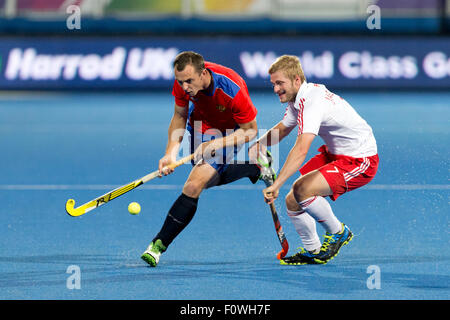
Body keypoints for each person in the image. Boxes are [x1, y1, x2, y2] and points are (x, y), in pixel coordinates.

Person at [141, 51, 276, 267]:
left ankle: (158, 244)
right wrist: (171, 153)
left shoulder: (232, 89)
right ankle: (254, 167)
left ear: (203, 73)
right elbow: (179, 116)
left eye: (189, 81)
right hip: (201, 122)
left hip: (231, 130)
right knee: (206, 179)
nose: (184, 87)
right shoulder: (183, 82)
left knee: (194, 185)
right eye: (180, 82)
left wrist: (215, 144)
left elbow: (250, 131)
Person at [252, 55, 379, 265]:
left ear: (296, 80)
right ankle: (313, 250)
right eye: (273, 84)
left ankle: (338, 232)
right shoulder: (299, 98)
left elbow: (301, 149)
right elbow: (283, 129)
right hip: (335, 154)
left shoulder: (312, 102)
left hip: (360, 159)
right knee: (292, 200)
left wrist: (276, 184)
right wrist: (259, 144)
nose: (275, 89)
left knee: (301, 188)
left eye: (279, 83)